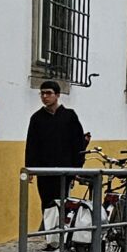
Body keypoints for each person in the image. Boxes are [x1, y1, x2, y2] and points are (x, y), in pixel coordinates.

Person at [26, 81, 89, 223]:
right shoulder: (37, 118)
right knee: (47, 204)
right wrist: (30, 168)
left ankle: (62, 234)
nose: (44, 96)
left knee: (62, 201)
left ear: (58, 95)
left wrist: (77, 168)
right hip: (45, 170)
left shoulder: (69, 116)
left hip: (65, 169)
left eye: (48, 93)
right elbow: (32, 144)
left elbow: (78, 144)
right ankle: (51, 238)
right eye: (42, 93)